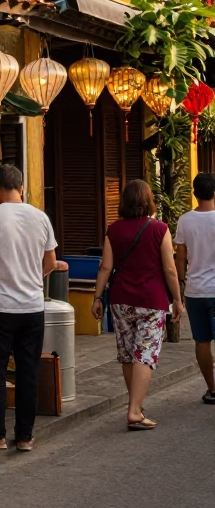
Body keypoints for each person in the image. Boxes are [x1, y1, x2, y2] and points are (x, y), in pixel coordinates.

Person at [0, 165, 57, 452]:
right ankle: (25, 436)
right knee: (27, 371)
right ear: (21, 186)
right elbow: (51, 264)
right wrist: (31, 279)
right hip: (32, 307)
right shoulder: (40, 217)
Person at [92, 179, 184, 430]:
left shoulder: (114, 230)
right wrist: (177, 299)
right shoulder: (160, 229)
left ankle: (136, 406)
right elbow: (169, 268)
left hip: (121, 300)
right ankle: (134, 410)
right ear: (148, 201)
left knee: (127, 353)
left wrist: (97, 297)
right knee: (144, 354)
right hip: (152, 301)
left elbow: (106, 267)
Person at [174, 172, 215, 403]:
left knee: (202, 341)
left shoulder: (185, 220)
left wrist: (181, 282)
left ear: (194, 194)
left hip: (195, 290)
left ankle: (212, 388)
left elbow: (181, 257)